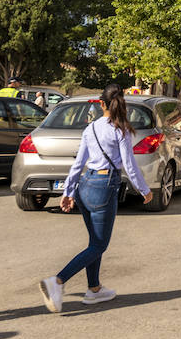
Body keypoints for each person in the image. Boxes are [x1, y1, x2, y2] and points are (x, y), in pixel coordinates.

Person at [39, 84, 152, 314]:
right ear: (121, 105)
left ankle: (94, 288)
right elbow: (129, 167)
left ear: (101, 104)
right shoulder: (120, 131)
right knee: (99, 244)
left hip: (85, 185)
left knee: (94, 242)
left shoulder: (91, 128)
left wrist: (68, 192)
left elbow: (78, 163)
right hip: (104, 187)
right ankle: (57, 281)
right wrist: (144, 190)